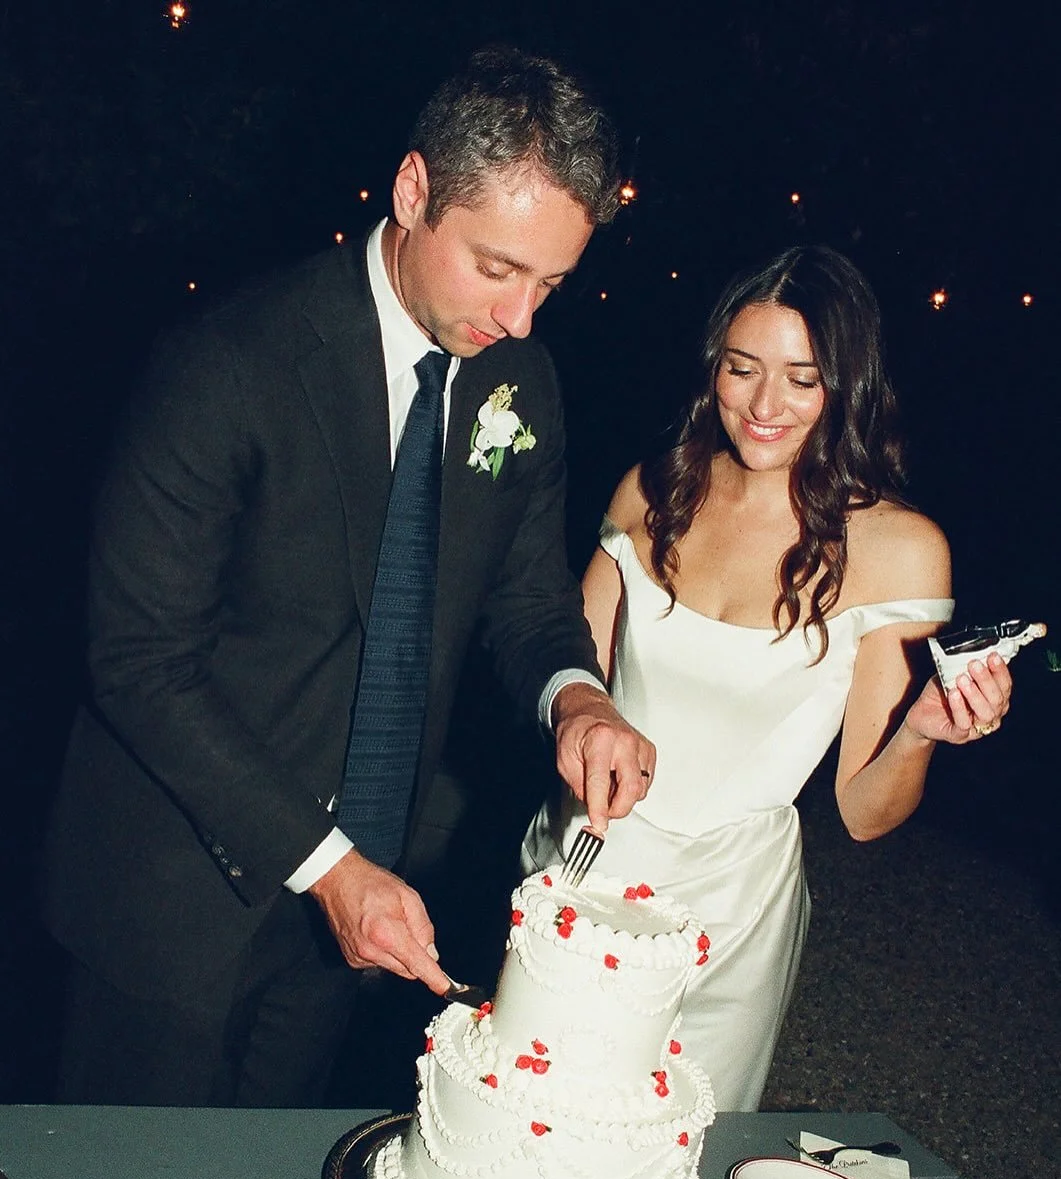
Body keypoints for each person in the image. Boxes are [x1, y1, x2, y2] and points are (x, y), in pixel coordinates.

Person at [41, 46, 654, 1108]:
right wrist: (327, 865)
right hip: (176, 892)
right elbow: (140, 664)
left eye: (550, 282)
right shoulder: (226, 365)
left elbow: (524, 595)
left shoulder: (520, 380)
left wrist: (578, 697)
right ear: (413, 191)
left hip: (372, 887)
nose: (520, 319)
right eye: (497, 267)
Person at [524, 245, 1014, 1112]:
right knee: (516, 1119)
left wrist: (920, 729)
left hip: (731, 909)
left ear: (848, 386)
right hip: (583, 854)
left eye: (801, 378)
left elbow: (863, 815)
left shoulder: (899, 549)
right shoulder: (650, 490)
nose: (762, 405)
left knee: (661, 1158)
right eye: (741, 368)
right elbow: (562, 663)